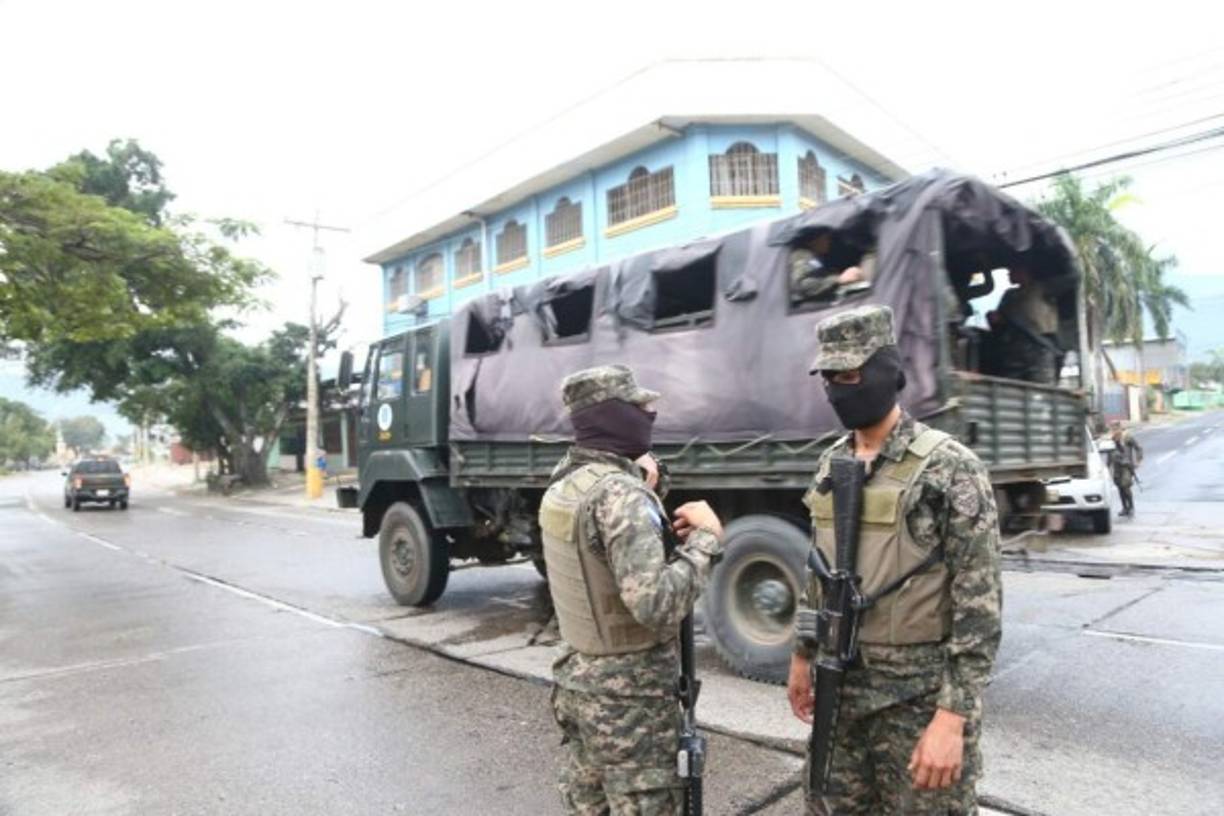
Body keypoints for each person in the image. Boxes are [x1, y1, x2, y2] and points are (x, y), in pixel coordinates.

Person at [788, 305, 1003, 815]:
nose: (840, 388)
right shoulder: (830, 463)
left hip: (917, 702)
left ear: (888, 369)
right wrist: (801, 653)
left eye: (852, 374)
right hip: (840, 698)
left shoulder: (949, 467)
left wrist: (953, 718)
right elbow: (818, 569)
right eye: (830, 377)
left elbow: (980, 607)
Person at [540, 364, 725, 815]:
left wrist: (639, 479)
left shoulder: (566, 485)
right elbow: (657, 606)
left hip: (578, 686)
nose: (651, 410)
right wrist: (707, 539)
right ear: (610, 416)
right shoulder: (621, 498)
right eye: (639, 404)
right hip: (630, 706)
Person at [986, 265, 1060, 384]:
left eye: (1012, 270)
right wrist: (995, 318)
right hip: (1013, 349)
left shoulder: (1043, 288)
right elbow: (999, 320)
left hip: (1039, 347)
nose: (1008, 274)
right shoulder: (1009, 295)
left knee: (1041, 388)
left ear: (1024, 271)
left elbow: (1072, 279)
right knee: (1011, 389)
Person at [790, 232, 869, 304]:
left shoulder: (817, 257)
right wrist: (839, 279)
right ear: (814, 240)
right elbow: (805, 285)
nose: (829, 241)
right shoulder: (801, 255)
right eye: (826, 238)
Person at [1107, 420, 1144, 517]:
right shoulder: (1112, 440)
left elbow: (1138, 448)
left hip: (1126, 466)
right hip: (1116, 467)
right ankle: (1125, 507)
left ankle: (1131, 507)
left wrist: (1138, 460)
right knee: (1120, 487)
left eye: (1116, 428)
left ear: (1120, 427)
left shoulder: (1127, 437)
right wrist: (1107, 466)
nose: (1114, 430)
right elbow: (1109, 453)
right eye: (1112, 428)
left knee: (1125, 486)